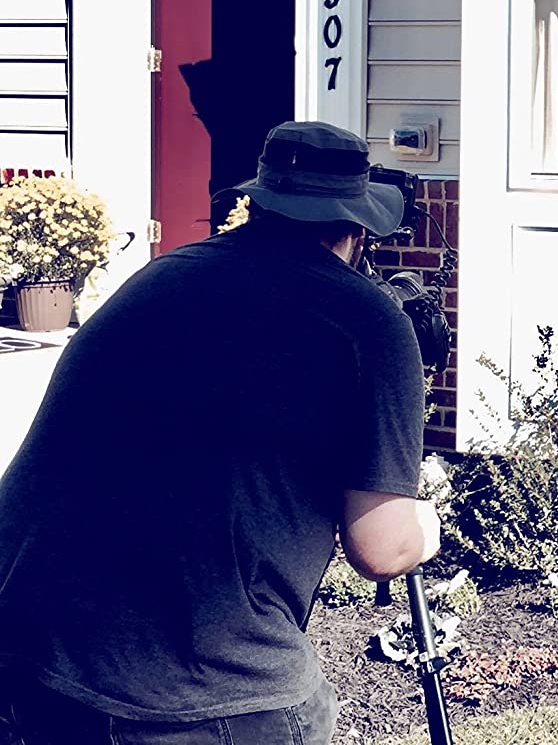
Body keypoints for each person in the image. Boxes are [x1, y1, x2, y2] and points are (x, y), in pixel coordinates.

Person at [0, 121, 440, 744]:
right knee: (295, 711)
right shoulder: (367, 321)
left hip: (31, 651)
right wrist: (424, 526)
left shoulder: (159, 277)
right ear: (356, 230)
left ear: (257, 204)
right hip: (192, 692)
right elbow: (382, 549)